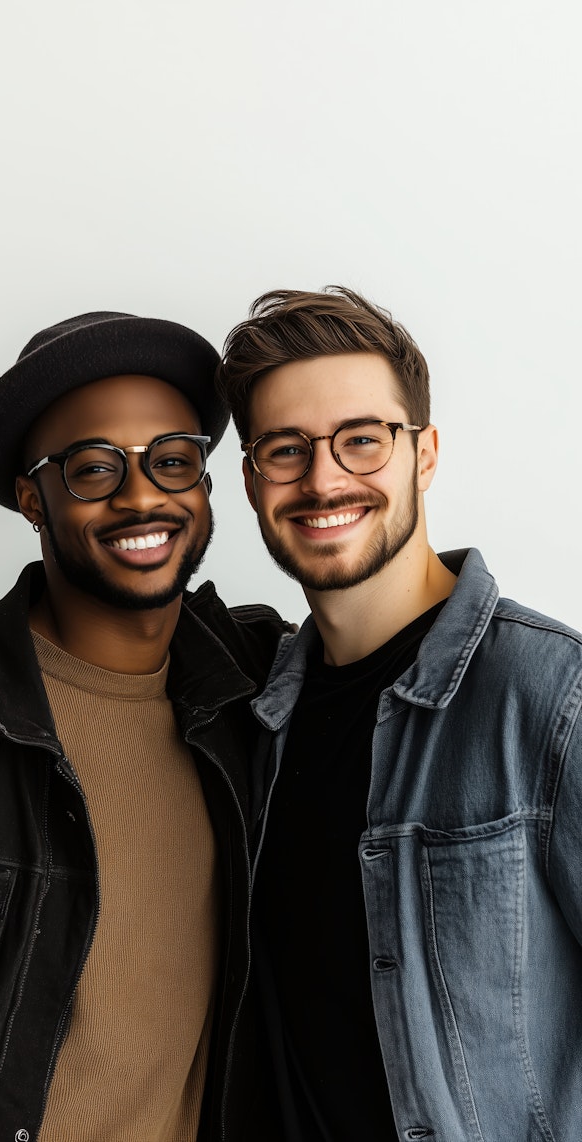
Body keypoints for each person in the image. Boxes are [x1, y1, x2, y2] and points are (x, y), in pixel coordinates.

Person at [217, 287, 582, 1142]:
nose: (323, 478)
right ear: (249, 480)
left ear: (424, 454)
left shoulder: (550, 692)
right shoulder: (254, 714)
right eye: (285, 449)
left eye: (362, 440)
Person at [0, 310, 290, 1142]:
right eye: (94, 468)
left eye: (172, 461)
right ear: (33, 498)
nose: (143, 495)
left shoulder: (261, 691)